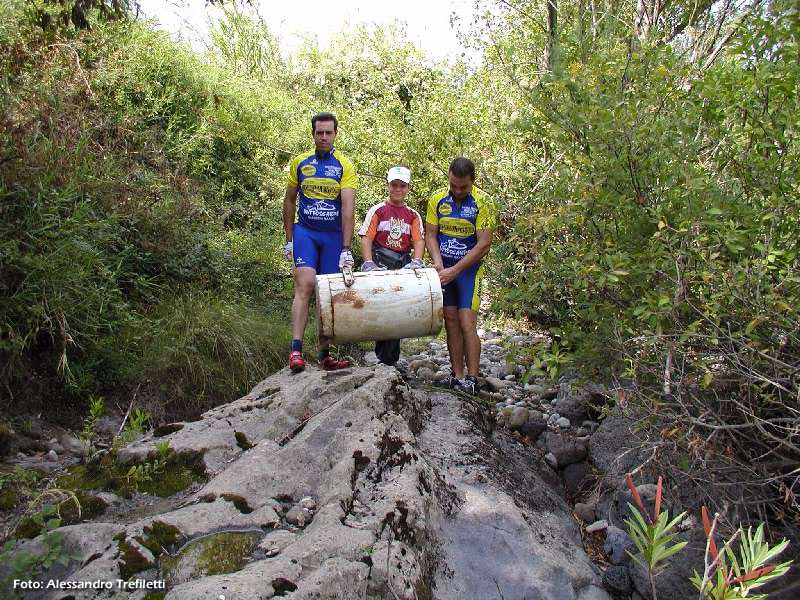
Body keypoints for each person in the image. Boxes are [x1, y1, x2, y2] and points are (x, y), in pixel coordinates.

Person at [283, 112, 357, 373]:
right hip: (306, 233)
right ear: (313, 134)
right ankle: (295, 349)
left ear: (336, 134)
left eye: (328, 132)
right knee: (304, 285)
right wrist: (289, 239)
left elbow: (349, 208)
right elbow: (289, 200)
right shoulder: (300, 163)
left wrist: (346, 248)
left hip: (333, 237)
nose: (324, 137)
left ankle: (325, 354)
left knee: (326, 294)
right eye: (319, 132)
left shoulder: (344, 165)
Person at [425, 157, 496, 395]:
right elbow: (431, 234)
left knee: (467, 323)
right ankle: (457, 376)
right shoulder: (437, 199)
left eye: (463, 187)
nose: (457, 190)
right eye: (453, 185)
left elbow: (484, 243)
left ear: (472, 181)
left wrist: (455, 270)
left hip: (468, 272)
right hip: (444, 271)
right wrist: (437, 263)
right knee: (451, 322)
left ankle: (473, 379)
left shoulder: (483, 202)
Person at [358, 166, 425, 366]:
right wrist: (368, 262)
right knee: (382, 310)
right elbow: (367, 237)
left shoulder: (413, 215)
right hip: (379, 262)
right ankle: (383, 357)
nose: (398, 189)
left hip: (402, 264)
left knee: (398, 311)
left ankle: (390, 359)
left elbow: (418, 240)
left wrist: (417, 261)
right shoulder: (378, 210)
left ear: (408, 188)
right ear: (388, 186)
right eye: (394, 185)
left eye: (402, 186)